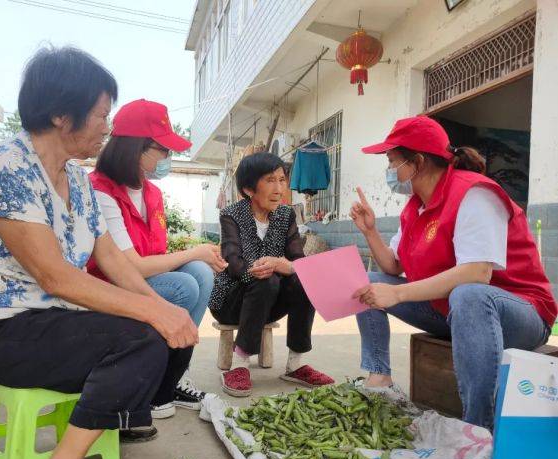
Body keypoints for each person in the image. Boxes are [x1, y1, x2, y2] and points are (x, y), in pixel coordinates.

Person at [0, 46, 198, 459]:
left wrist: (167, 312)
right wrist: (153, 311)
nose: (107, 127)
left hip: (57, 322)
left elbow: (116, 263)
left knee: (168, 334)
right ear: (61, 115)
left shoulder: (79, 182)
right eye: (102, 116)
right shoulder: (7, 166)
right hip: (2, 331)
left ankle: (102, 423)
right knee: (143, 340)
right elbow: (55, 276)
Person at [350, 116, 557, 429]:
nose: (389, 171)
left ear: (417, 162)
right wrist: (370, 232)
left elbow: (477, 274)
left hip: (520, 313)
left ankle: (476, 428)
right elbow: (393, 267)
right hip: (453, 310)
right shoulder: (414, 208)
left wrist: (399, 293)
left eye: (392, 161)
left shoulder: (474, 194)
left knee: (469, 294)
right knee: (364, 282)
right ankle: (380, 377)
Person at [86, 99, 227, 418]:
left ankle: (172, 378)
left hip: (143, 280)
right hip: (110, 287)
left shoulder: (152, 193)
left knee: (201, 274)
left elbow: (157, 255)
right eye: (164, 150)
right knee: (184, 286)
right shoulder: (100, 191)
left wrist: (199, 257)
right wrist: (195, 250)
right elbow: (128, 265)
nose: (168, 158)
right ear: (137, 147)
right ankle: (156, 384)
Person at [209, 152, 334, 397]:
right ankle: (239, 364)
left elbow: (298, 261)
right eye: (270, 180)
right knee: (266, 279)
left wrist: (283, 265)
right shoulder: (231, 214)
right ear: (248, 189)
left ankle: (295, 365)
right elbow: (233, 262)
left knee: (303, 279)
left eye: (282, 180)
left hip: (269, 299)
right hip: (230, 301)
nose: (279, 189)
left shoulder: (286, 215)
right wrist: (260, 270)